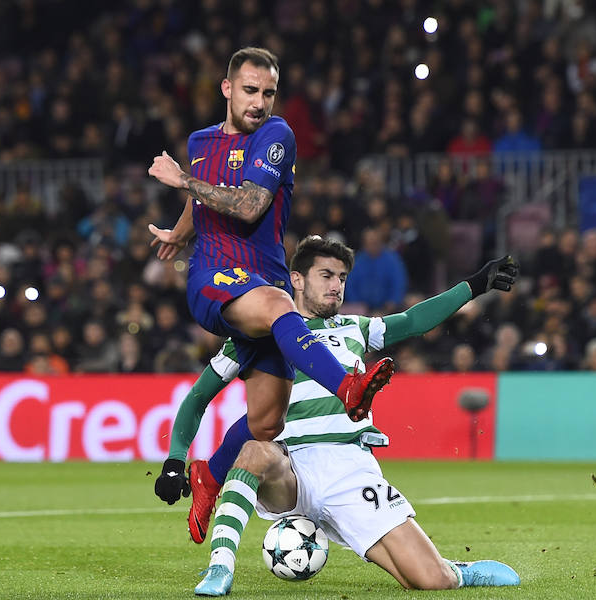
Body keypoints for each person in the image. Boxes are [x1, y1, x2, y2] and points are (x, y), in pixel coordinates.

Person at [153, 235, 519, 595]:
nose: (336, 286)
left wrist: (472, 286)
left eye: (342, 278)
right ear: (296, 279)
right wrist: (175, 459)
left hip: (348, 468)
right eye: (326, 275)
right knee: (253, 450)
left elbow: (413, 321)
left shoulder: (354, 328)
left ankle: (455, 571)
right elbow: (197, 398)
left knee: (429, 580)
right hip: (290, 466)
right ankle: (220, 568)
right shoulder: (256, 335)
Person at [146, 48, 395, 541]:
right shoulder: (201, 141)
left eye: (268, 93)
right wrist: (181, 233)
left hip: (265, 281)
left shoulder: (275, 135)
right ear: (227, 89)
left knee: (266, 422)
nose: (259, 102)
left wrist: (183, 182)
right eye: (250, 90)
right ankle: (346, 387)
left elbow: (250, 203)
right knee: (283, 307)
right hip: (215, 276)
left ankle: (208, 475)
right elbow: (204, 201)